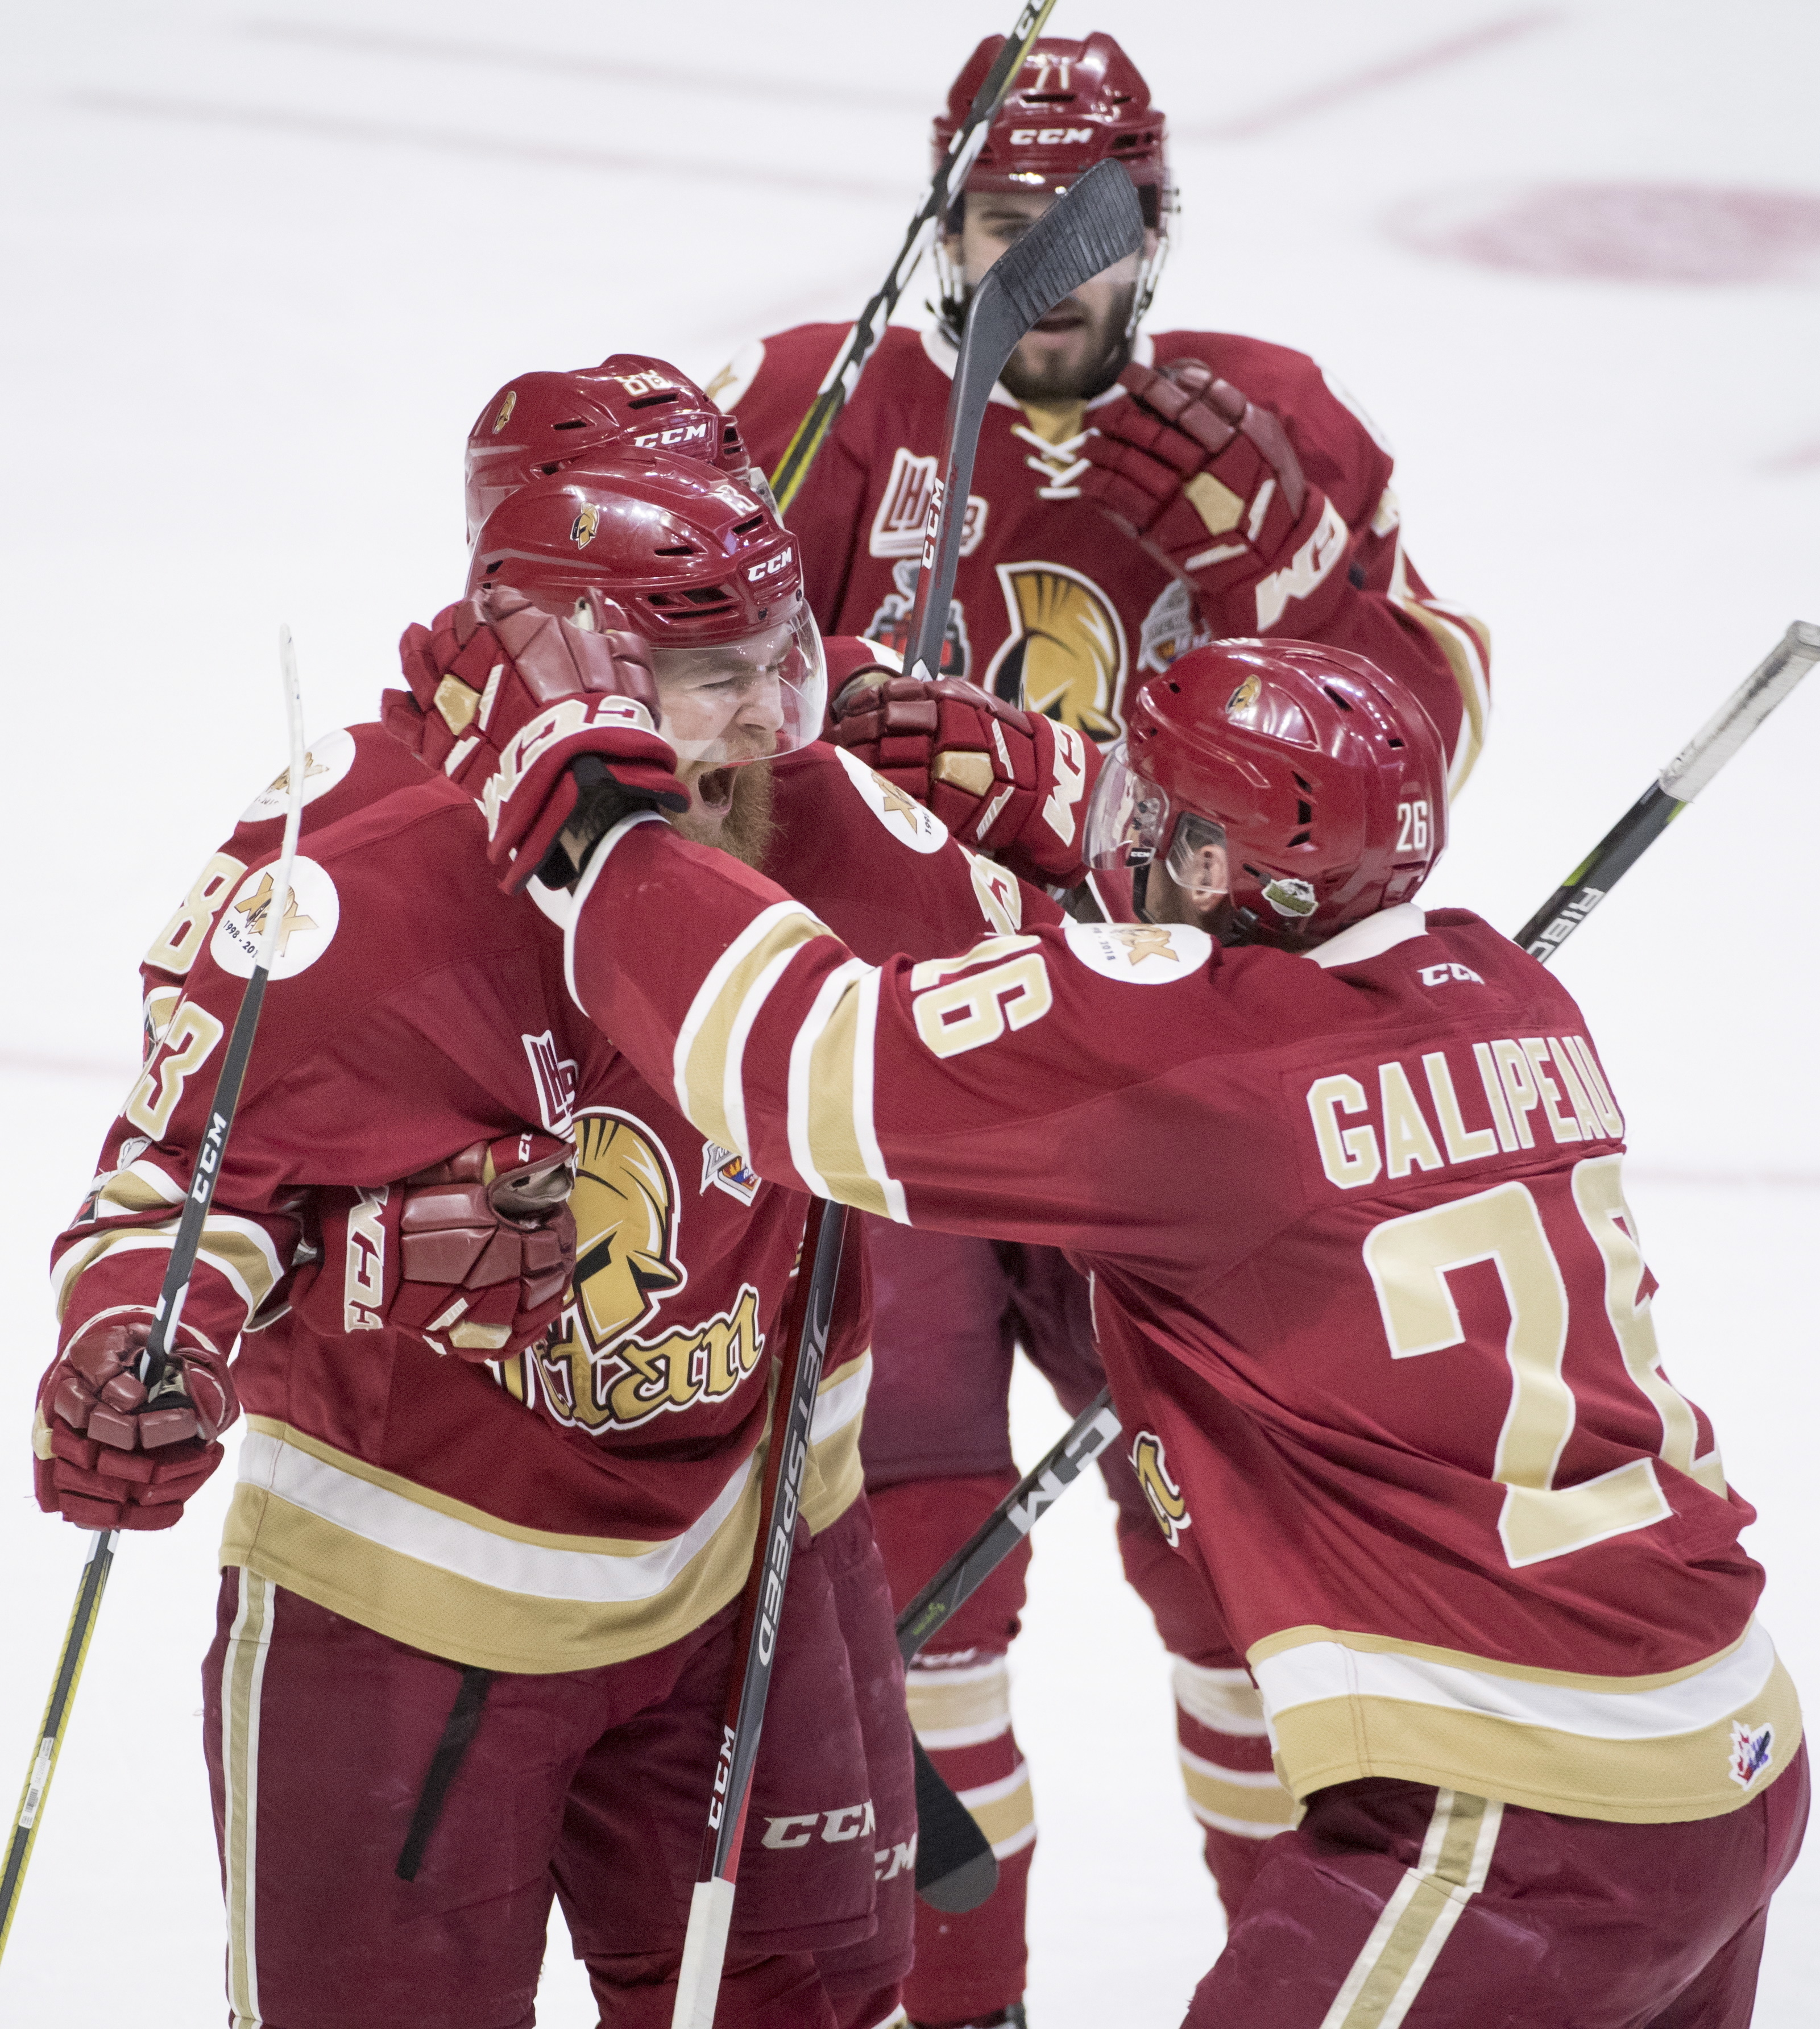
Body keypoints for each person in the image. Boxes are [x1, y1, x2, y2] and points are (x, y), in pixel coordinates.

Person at [445, 624, 1805, 2028]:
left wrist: (610, 840)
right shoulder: (1505, 991)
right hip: (1727, 1747)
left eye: (1153, 815)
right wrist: (1021, 772)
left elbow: (800, 1061)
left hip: (1516, 1814)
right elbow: (1192, 971)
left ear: (1217, 865)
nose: (1128, 835)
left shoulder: (1198, 1069)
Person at [31, 423, 1088, 2028]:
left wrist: (1075, 802)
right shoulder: (346, 880)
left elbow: (1129, 1014)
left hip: (758, 1553)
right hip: (415, 1606)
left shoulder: (827, 815)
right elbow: (186, 1189)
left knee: (817, 2003)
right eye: (711, 671)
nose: (766, 719)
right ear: (566, 661)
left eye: (777, 657)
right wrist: (146, 1347)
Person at [715, 34, 1495, 2020]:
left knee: (1270, 1601)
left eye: (1101, 228)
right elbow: (690, 720)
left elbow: (1425, 757)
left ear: (1162, 223)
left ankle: (1315, 1980)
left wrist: (1280, 561)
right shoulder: (817, 412)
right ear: (941, 215)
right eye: (1007, 226)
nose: (1053, 277)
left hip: (1188, 1098)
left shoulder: (1269, 427)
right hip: (923, 1099)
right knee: (913, 1609)